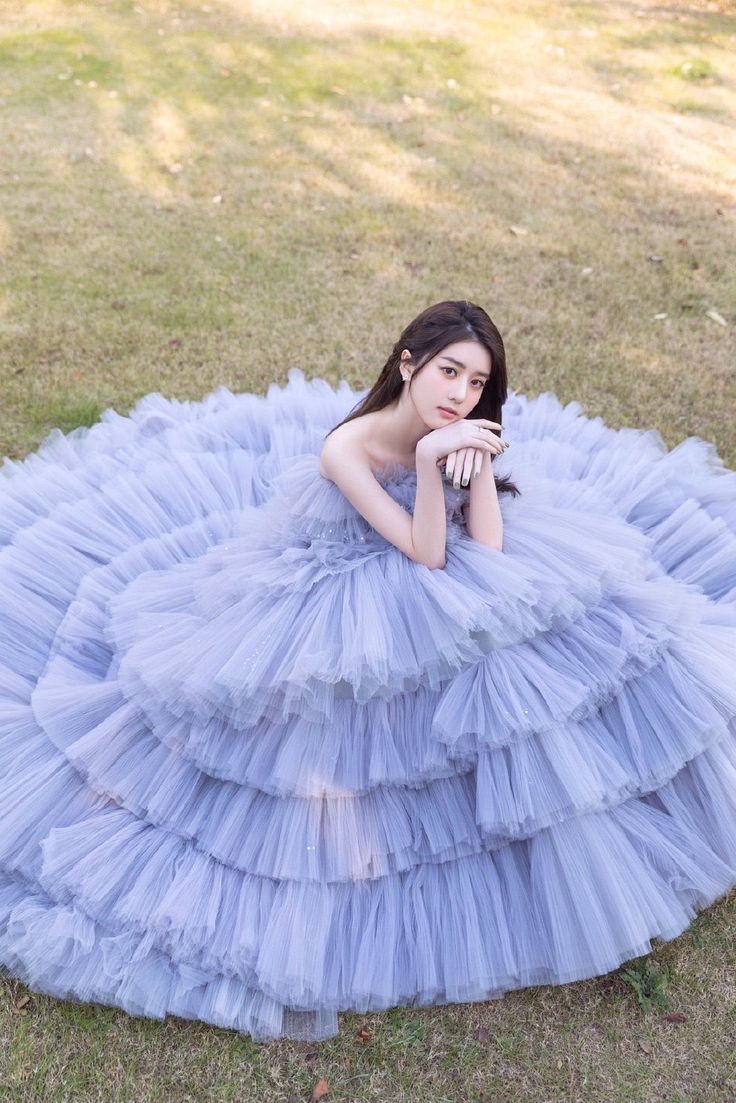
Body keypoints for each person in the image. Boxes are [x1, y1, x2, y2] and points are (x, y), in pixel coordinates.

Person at [0, 299, 734, 1044]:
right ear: (408, 363)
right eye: (449, 370)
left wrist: (477, 471)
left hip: (438, 565)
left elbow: (491, 551)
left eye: (478, 382)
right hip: (349, 581)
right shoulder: (346, 447)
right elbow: (426, 552)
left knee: (532, 641)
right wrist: (425, 462)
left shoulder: (465, 432)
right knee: (378, 696)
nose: (461, 394)